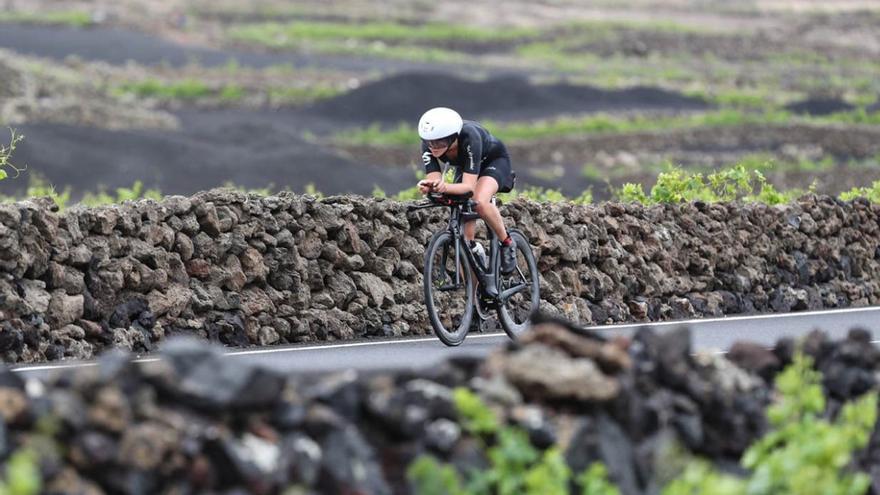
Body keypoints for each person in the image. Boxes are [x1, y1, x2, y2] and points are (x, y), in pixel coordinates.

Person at [416, 107, 517, 275]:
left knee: (478, 202)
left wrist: (445, 187)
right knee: (465, 241)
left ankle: (507, 242)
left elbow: (469, 187)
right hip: (466, 167)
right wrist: (430, 186)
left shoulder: (470, 136)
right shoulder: (429, 144)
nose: (433, 147)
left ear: (453, 137)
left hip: (493, 162)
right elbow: (434, 179)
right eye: (429, 142)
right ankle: (475, 297)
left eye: (440, 142)